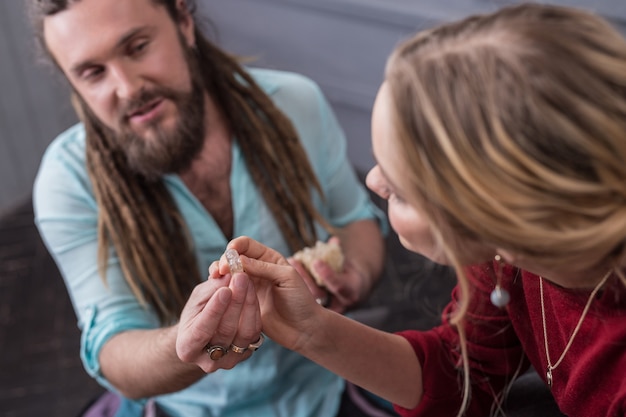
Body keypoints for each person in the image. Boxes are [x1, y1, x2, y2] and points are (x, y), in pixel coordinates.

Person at [212, 4, 626, 417]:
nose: (372, 182)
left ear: (503, 219)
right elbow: (465, 372)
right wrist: (312, 331)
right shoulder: (509, 254)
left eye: (399, 190)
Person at [30, 0, 388, 416]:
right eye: (93, 73)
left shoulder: (295, 104)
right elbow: (113, 351)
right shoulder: (68, 179)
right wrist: (187, 342)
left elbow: (355, 223)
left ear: (183, 21)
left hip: (325, 388)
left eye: (138, 46)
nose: (127, 88)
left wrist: (353, 276)